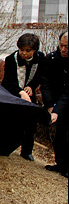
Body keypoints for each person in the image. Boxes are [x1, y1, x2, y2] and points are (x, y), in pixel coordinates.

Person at [1, 33, 45, 161]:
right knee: (12, 123)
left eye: (28, 51)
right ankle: (6, 147)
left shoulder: (40, 58)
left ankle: (27, 151)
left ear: (34, 50)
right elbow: (8, 81)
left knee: (31, 124)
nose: (24, 53)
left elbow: (40, 76)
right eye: (21, 50)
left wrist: (31, 86)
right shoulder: (11, 59)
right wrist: (20, 91)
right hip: (13, 94)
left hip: (29, 94)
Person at [41, 31, 68, 178]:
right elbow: (45, 83)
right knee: (60, 135)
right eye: (61, 45)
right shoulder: (51, 58)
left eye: (67, 47)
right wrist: (50, 105)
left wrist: (56, 109)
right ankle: (60, 163)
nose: (63, 49)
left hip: (65, 101)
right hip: (56, 100)